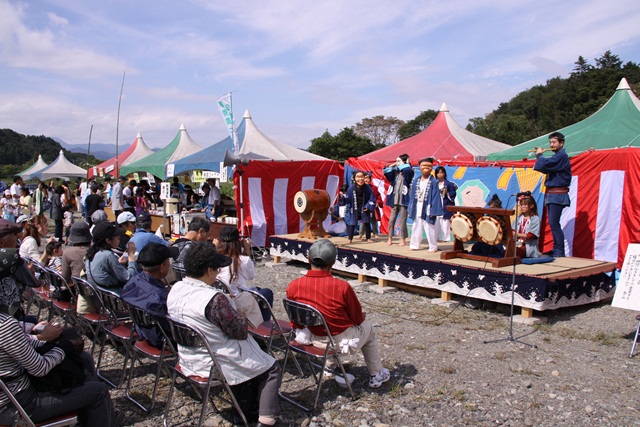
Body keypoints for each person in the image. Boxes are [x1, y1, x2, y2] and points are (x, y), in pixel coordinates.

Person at [167, 241, 281, 426]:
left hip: (188, 355)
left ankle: (247, 407)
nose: (219, 272)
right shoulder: (214, 300)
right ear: (209, 271)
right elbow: (240, 331)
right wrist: (239, 312)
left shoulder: (175, 289)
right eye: (217, 269)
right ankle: (266, 421)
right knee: (272, 368)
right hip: (213, 361)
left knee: (255, 353)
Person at [0, 248, 116, 427]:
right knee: (99, 391)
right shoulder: (5, 324)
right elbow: (39, 367)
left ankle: (87, 413)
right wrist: (64, 347)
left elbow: (15, 345)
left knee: (83, 359)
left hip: (9, 395)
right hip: (19, 403)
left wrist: (41, 338)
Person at [286, 239, 391, 388]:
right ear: (333, 263)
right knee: (368, 328)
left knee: (324, 322)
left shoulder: (294, 285)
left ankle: (329, 367)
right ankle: (376, 374)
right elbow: (357, 318)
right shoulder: (341, 286)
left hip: (312, 338)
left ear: (308, 259)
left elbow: (295, 318)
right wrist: (361, 317)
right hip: (339, 343)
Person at [120, 243, 179, 348]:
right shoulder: (159, 298)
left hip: (142, 331)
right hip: (163, 340)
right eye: (168, 261)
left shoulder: (132, 283)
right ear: (162, 267)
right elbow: (172, 327)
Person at [216, 226, 274, 322]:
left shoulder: (215, 259)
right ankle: (262, 325)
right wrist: (247, 252)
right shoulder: (242, 260)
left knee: (258, 289)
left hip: (222, 296)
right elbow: (251, 276)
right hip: (238, 300)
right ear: (238, 242)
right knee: (267, 293)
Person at [534, 131, 572, 257]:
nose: (552, 144)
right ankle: (556, 248)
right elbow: (545, 167)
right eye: (550, 142)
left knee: (554, 223)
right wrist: (539, 157)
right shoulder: (557, 156)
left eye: (554, 142)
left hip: (557, 194)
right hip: (552, 194)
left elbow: (545, 164)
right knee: (553, 223)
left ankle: (559, 250)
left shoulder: (561, 156)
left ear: (561, 143)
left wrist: (539, 155)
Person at [85, 221, 137, 297]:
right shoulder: (107, 255)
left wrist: (117, 263)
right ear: (108, 240)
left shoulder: (92, 253)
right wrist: (131, 257)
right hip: (113, 297)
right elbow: (129, 277)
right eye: (116, 236)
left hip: (99, 295)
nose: (119, 238)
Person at [408, 158, 444, 253]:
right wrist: (411, 207)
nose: (426, 168)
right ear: (420, 167)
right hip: (417, 206)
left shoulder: (434, 182)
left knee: (430, 227)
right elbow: (412, 195)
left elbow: (436, 197)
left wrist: (433, 210)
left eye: (429, 166)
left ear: (432, 168)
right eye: (424, 166)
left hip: (428, 207)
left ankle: (433, 247)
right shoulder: (416, 180)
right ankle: (414, 244)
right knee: (416, 226)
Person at [383, 154, 414, 246]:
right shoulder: (396, 172)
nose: (397, 163)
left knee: (402, 220)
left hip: (403, 199)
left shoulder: (408, 171)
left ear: (404, 162)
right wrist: (391, 166)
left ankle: (403, 239)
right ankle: (390, 238)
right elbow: (387, 173)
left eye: (399, 161)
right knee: (391, 219)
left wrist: (405, 164)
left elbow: (408, 172)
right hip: (394, 199)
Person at [341, 171, 376, 243]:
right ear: (354, 178)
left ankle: (368, 237)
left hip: (364, 207)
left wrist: (368, 206)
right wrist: (342, 197)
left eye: (361, 177)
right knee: (352, 223)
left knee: (366, 222)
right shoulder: (351, 188)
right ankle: (350, 238)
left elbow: (372, 198)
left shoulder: (368, 188)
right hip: (355, 207)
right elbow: (348, 198)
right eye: (358, 177)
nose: (360, 179)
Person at [513, 193, 541, 259]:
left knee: (515, 254)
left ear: (531, 206)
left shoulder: (535, 218)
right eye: (521, 205)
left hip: (527, 246)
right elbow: (512, 229)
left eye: (525, 205)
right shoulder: (518, 217)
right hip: (517, 244)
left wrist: (516, 234)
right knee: (505, 253)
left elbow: (531, 235)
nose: (522, 207)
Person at [434, 166, 457, 242]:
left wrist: (447, 193)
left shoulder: (449, 184)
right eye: (438, 173)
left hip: (445, 204)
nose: (440, 174)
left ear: (444, 173)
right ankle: (435, 238)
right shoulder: (435, 184)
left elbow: (453, 194)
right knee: (436, 223)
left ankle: (445, 238)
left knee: (445, 222)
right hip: (437, 204)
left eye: (441, 172)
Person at [359, 172, 383, 239]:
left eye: (368, 178)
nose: (366, 180)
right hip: (363, 207)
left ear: (370, 179)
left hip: (372, 207)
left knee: (373, 220)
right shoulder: (360, 187)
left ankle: (375, 233)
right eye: (365, 178)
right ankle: (361, 234)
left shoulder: (374, 188)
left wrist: (378, 202)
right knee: (362, 221)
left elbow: (378, 197)